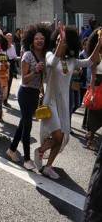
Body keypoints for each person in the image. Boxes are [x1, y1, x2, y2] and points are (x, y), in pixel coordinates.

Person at [33, 24, 102, 179]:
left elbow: (90, 61)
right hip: (50, 103)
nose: (60, 42)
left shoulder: (72, 61)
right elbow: (51, 64)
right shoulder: (51, 55)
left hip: (63, 104)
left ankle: (48, 166)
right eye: (57, 39)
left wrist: (98, 44)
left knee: (63, 137)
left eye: (63, 40)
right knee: (57, 137)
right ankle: (40, 150)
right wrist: (60, 44)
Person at [6, 24, 51, 170]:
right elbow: (24, 79)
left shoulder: (44, 55)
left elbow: (42, 78)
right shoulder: (27, 55)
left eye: (42, 38)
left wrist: (42, 92)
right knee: (28, 125)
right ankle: (26, 159)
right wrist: (36, 71)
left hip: (34, 94)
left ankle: (12, 150)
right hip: (25, 93)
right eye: (37, 38)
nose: (39, 40)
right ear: (31, 40)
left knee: (23, 124)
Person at [85, 29, 102, 149]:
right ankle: (90, 140)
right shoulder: (97, 55)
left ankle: (90, 136)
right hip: (97, 85)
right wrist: (91, 91)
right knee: (95, 113)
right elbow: (93, 75)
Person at [3, 32, 19, 107]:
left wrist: (20, 58)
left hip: (11, 67)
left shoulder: (12, 46)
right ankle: (1, 99)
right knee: (3, 84)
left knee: (9, 84)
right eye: (8, 38)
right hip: (3, 66)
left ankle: (5, 100)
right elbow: (0, 56)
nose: (9, 40)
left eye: (10, 38)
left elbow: (15, 56)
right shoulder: (2, 46)